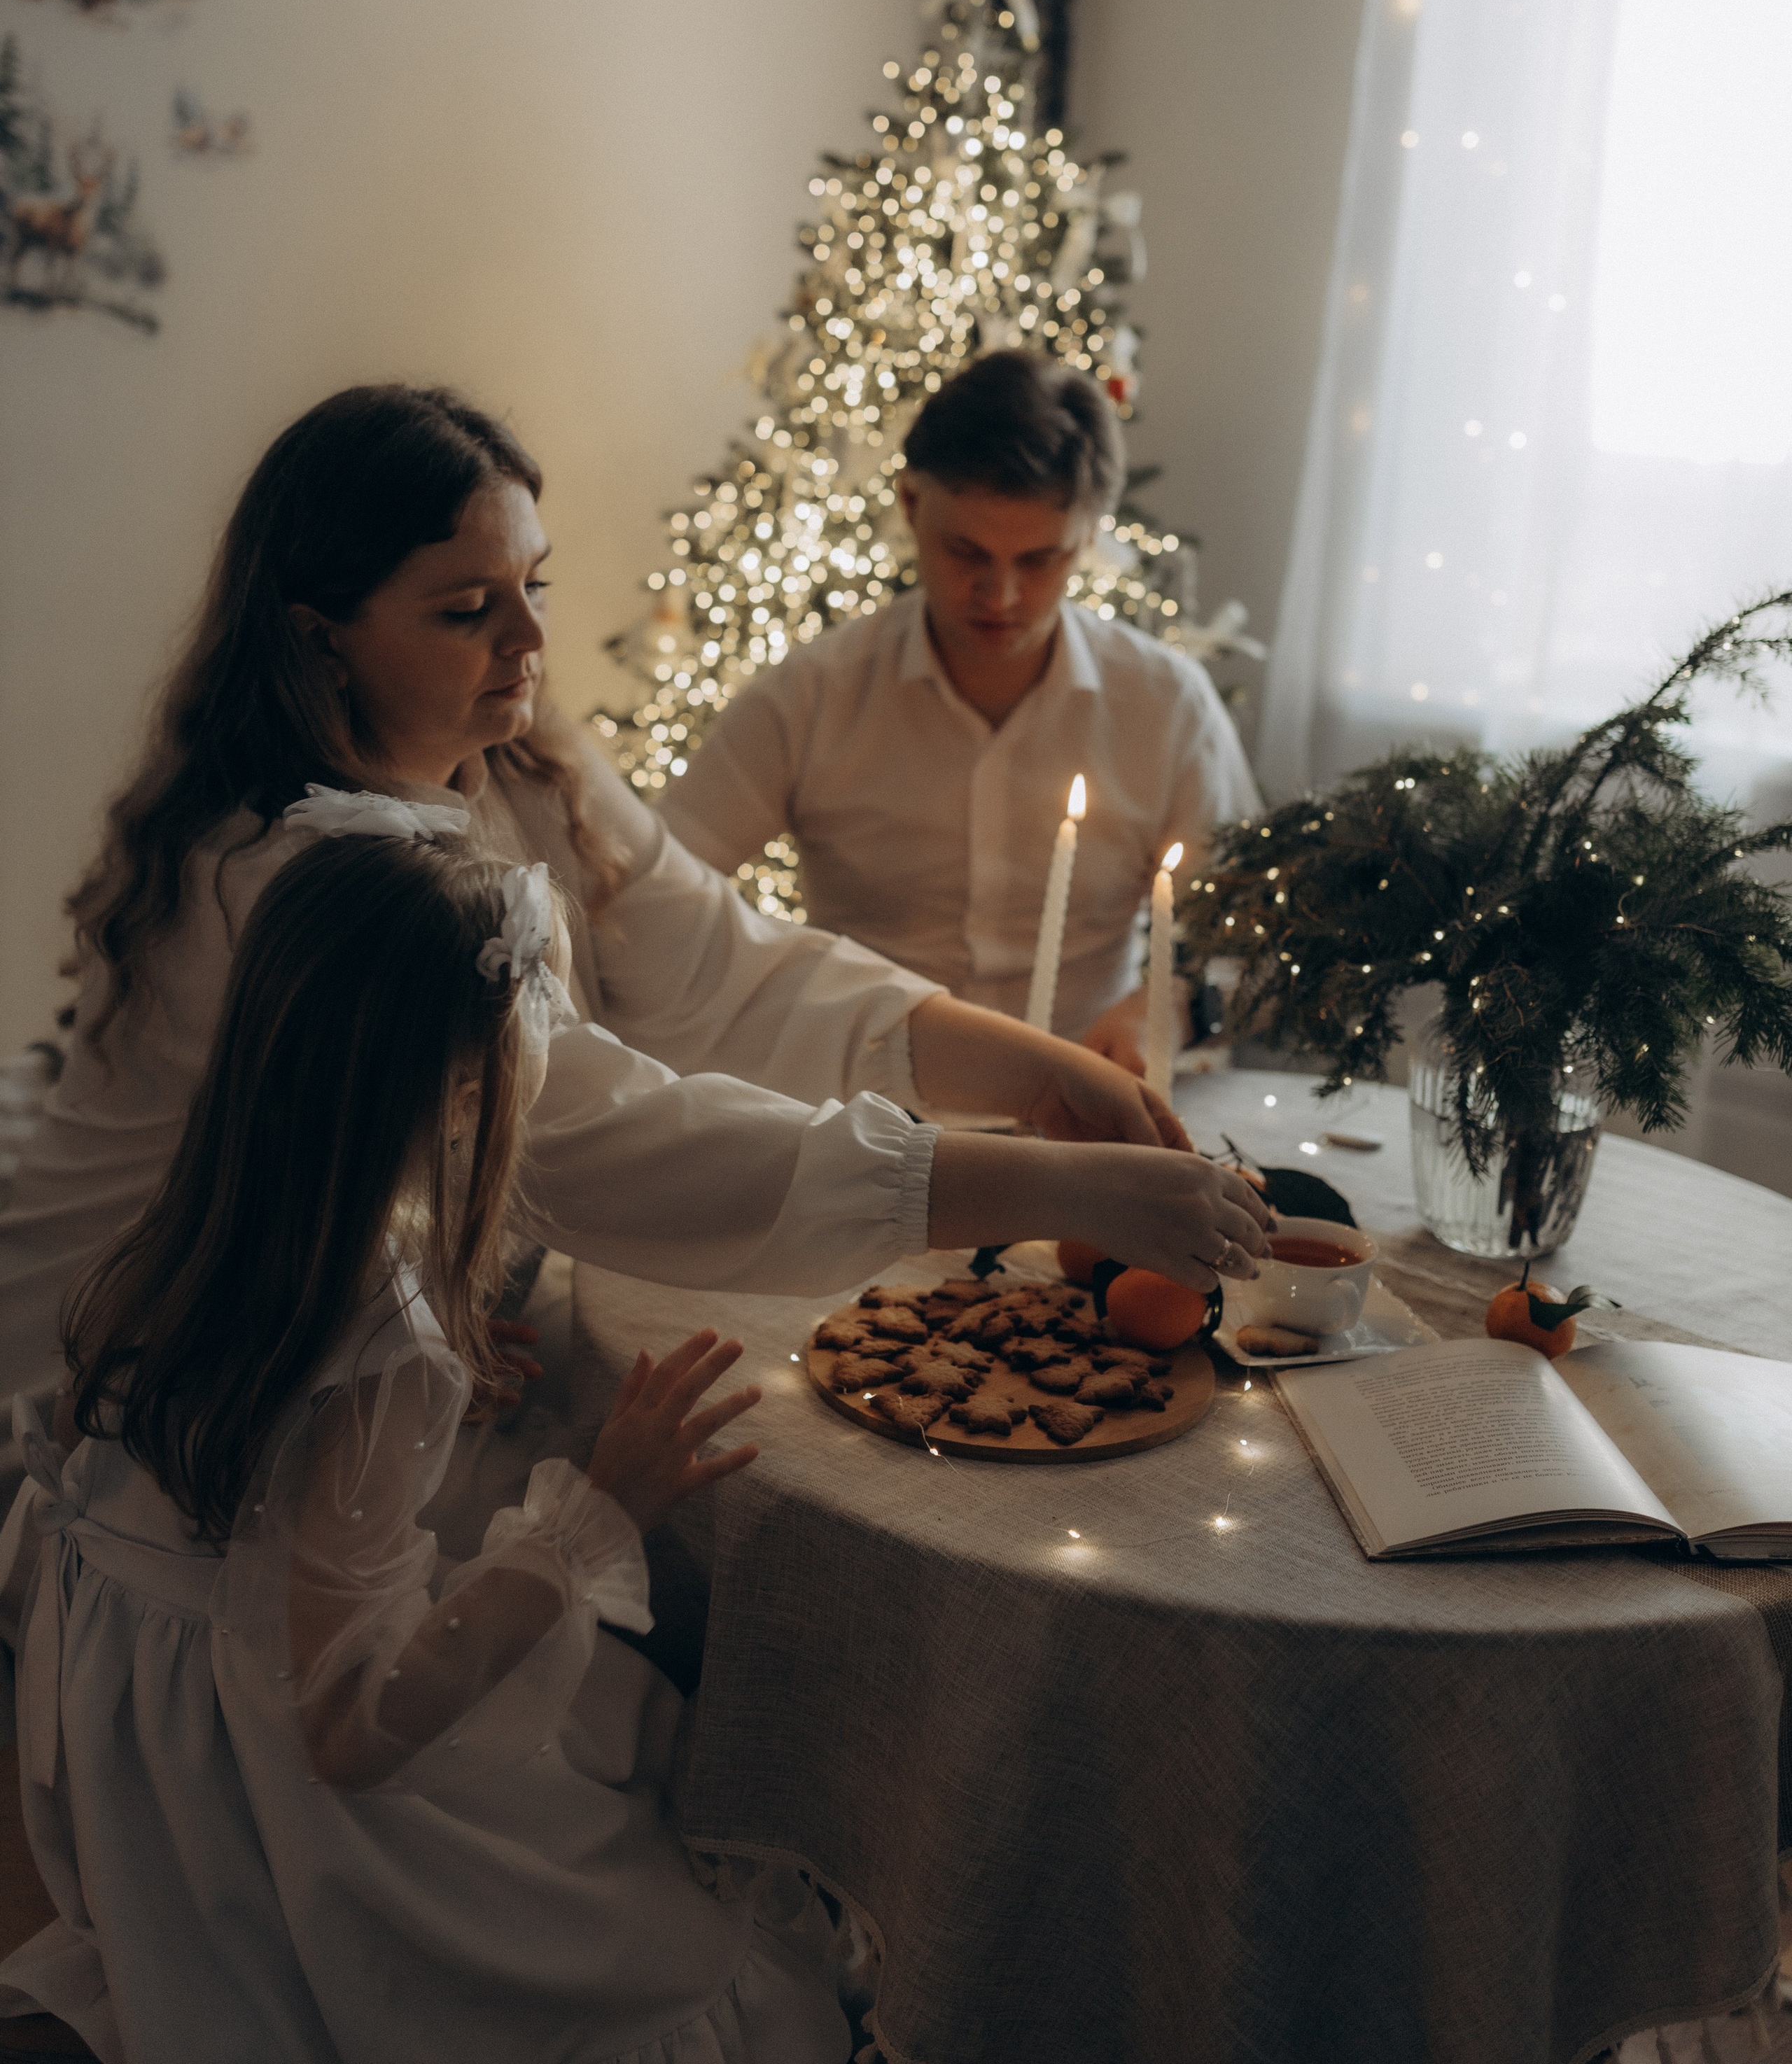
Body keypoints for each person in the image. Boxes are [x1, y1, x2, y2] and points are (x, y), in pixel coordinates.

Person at [0, 385, 1270, 1518]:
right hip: (162, 1386)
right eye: (468, 609)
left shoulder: (516, 757)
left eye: (535, 586)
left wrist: (1035, 1068)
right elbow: (601, 1138)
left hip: (385, 1340)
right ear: (320, 637)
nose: (529, 640)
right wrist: (1047, 1185)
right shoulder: (290, 868)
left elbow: (729, 960)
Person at [0, 815, 854, 2062]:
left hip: (145, 1759)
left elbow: (161, 1488)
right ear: (468, 1092)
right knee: (666, 1936)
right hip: (287, 1787)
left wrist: (381, 1411)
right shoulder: (379, 1341)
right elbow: (352, 1728)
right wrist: (596, 1514)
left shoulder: (174, 1239)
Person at [662, 351, 1260, 1075]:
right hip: (861, 1103)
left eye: (1039, 560)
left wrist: (1174, 1008)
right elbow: (654, 894)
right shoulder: (812, 696)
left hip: (1085, 1095)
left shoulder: (1166, 707)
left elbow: (1257, 946)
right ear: (911, 505)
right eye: (966, 552)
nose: (1000, 596)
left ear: (1091, 535)